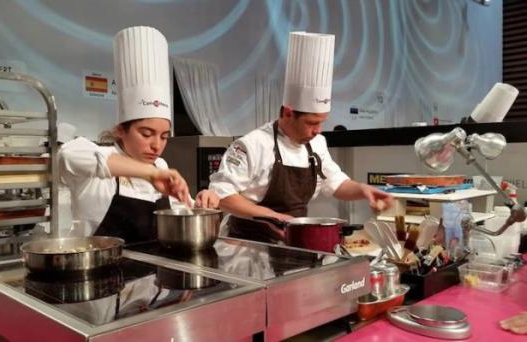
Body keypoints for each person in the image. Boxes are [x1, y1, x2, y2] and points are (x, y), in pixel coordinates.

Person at [209, 31, 393, 243]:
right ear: (288, 113)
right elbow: (222, 194)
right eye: (312, 123)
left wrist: (363, 190)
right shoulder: (252, 145)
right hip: (247, 245)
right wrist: (274, 217)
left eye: (322, 122)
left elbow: (336, 183)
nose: (318, 130)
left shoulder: (316, 144)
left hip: (291, 241)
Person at [59, 26, 218, 241]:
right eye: (146, 133)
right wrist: (150, 174)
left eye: (164, 136)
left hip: (154, 270)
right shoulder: (94, 161)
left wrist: (200, 203)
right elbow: (65, 156)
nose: (157, 146)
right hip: (100, 269)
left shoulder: (161, 166)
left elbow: (183, 213)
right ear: (120, 130)